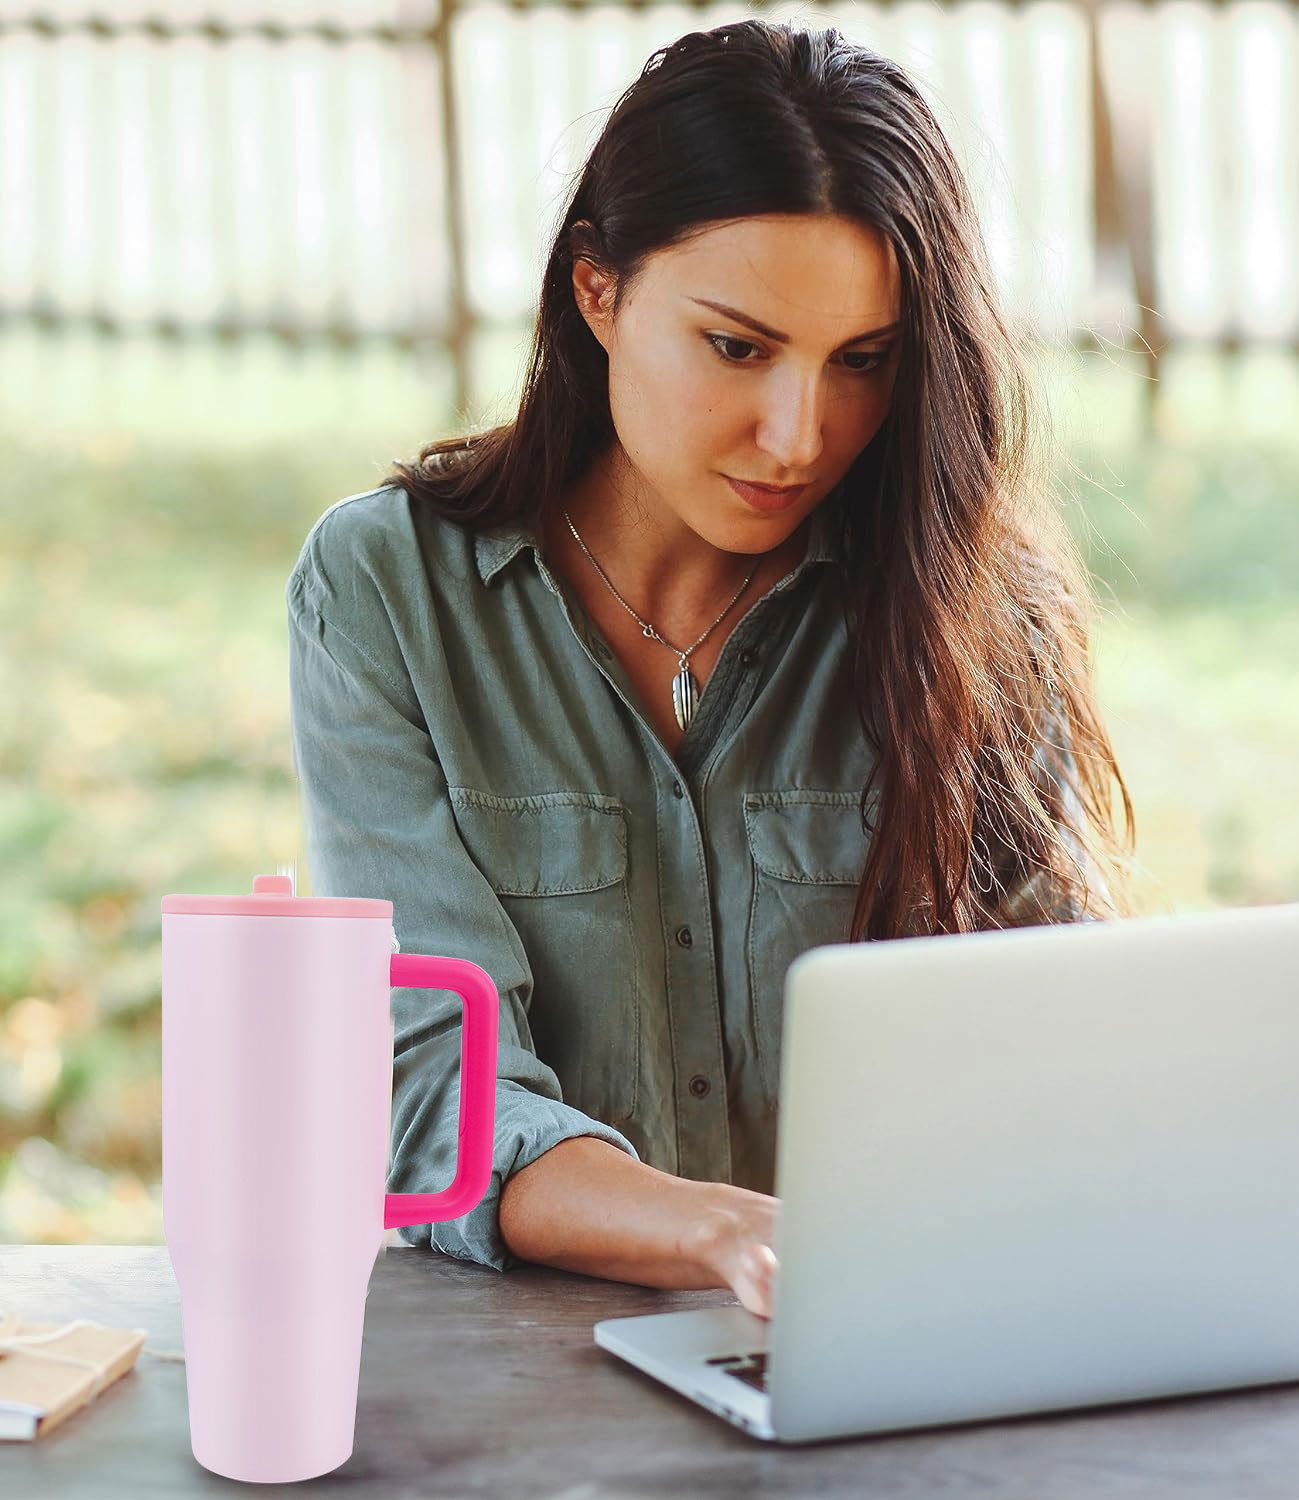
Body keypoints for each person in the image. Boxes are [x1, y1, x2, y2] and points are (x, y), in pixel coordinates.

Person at [285, 18, 1137, 1322]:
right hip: (520, 1365)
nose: (799, 437)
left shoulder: (969, 605)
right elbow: (432, 1101)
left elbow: (1065, 1048)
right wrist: (725, 1234)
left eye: (862, 362)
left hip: (892, 1339)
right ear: (598, 292)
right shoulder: (387, 592)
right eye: (739, 347)